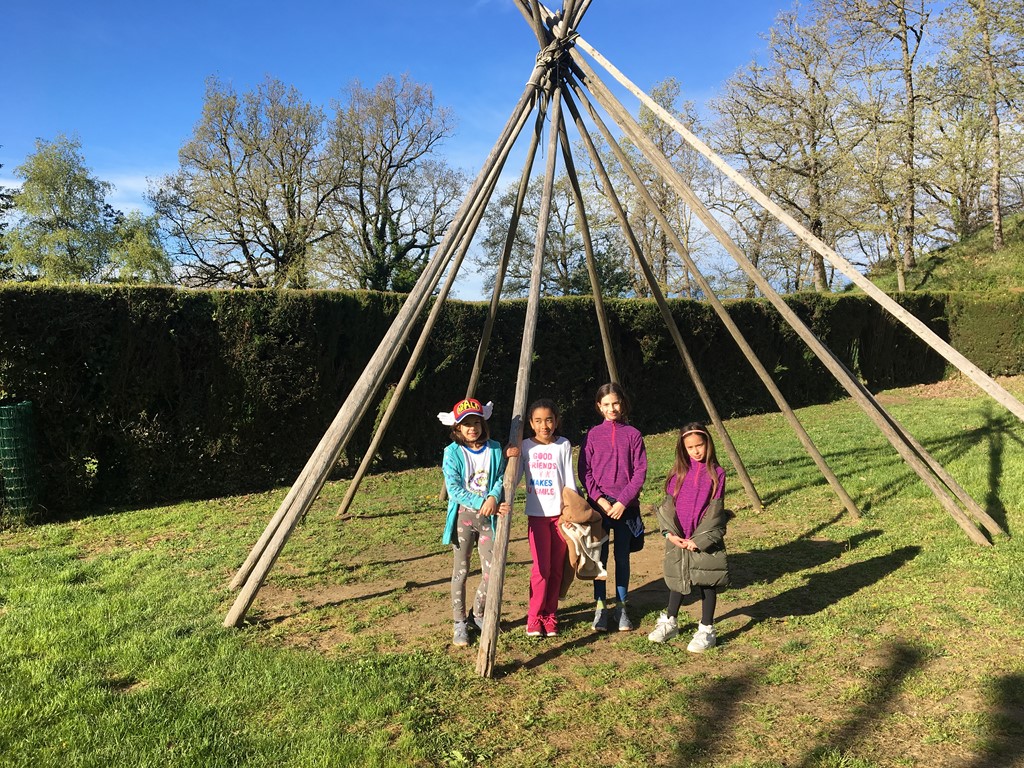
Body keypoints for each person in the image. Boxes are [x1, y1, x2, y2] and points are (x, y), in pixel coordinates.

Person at [648, 422, 730, 652]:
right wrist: (669, 534)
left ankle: (706, 629)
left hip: (702, 540)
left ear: (708, 444)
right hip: (679, 539)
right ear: (683, 448)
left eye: (699, 445)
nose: (695, 451)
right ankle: (670, 621)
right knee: (678, 579)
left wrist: (700, 541)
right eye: (690, 447)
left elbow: (716, 511)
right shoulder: (677, 474)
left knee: (707, 582)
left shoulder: (717, 474)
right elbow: (667, 509)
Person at [500, 398, 577, 638]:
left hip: (560, 517)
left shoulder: (563, 445)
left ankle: (550, 615)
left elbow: (570, 480)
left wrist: (571, 512)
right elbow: (514, 478)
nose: (544, 425)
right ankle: (534, 617)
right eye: (539, 421)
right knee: (541, 569)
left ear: (556, 421)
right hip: (537, 517)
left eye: (549, 420)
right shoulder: (525, 447)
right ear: (531, 424)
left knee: (557, 570)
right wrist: (507, 457)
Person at [577, 382, 647, 632]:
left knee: (622, 557)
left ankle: (621, 606)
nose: (612, 408)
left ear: (622, 403)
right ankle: (600, 607)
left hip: (625, 508)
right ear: (599, 406)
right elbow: (584, 472)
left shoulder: (634, 435)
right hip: (599, 509)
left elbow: (640, 471)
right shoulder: (592, 436)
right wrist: (600, 500)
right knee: (600, 559)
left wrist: (622, 502)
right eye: (606, 404)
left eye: (615, 403)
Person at [439, 398, 506, 647]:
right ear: (457, 428)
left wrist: (493, 497)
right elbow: (454, 489)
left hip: (489, 518)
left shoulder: (495, 449)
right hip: (464, 518)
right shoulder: (452, 453)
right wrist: (481, 502)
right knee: (461, 570)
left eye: (476, 423)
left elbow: (501, 477)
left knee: (492, 570)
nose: (472, 429)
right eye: (466, 424)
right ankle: (459, 622)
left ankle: (478, 613)